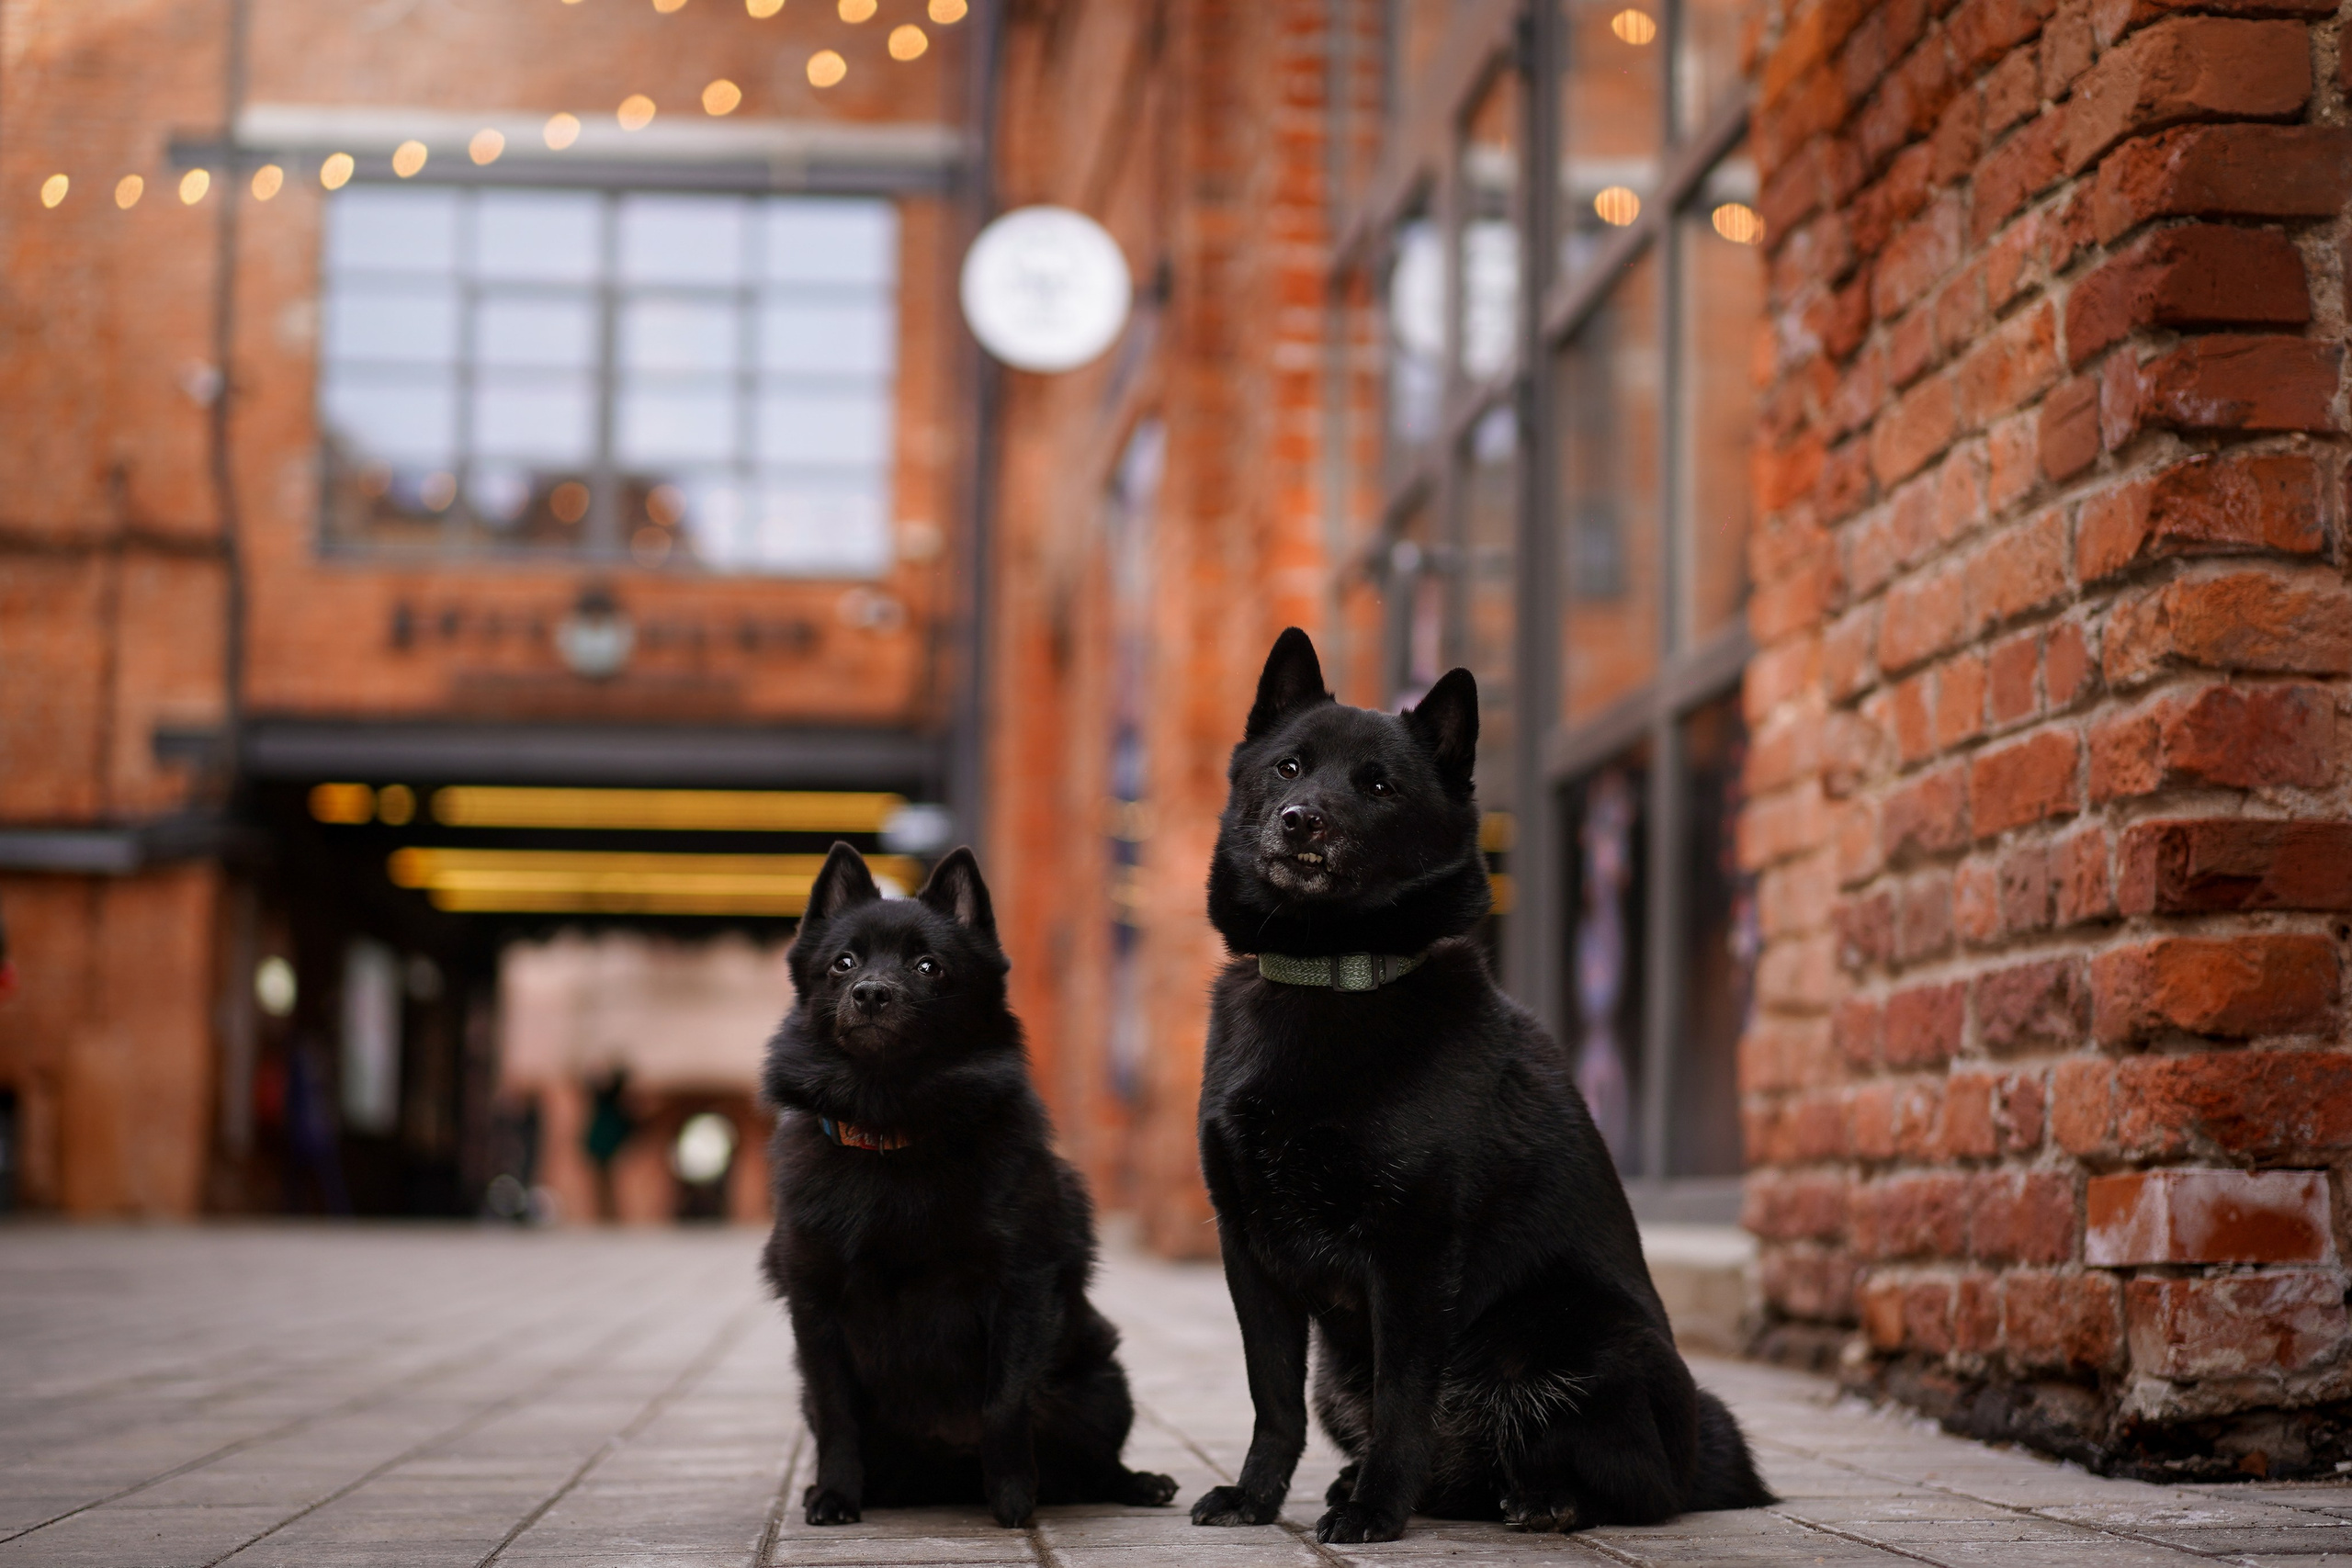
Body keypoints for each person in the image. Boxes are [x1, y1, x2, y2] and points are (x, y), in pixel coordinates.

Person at [583, 1067, 636, 1222]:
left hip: (605, 1142)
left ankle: (608, 1214)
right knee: (602, 1182)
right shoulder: (604, 1101)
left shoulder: (610, 1100)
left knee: (606, 1182)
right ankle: (605, 1214)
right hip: (602, 1143)